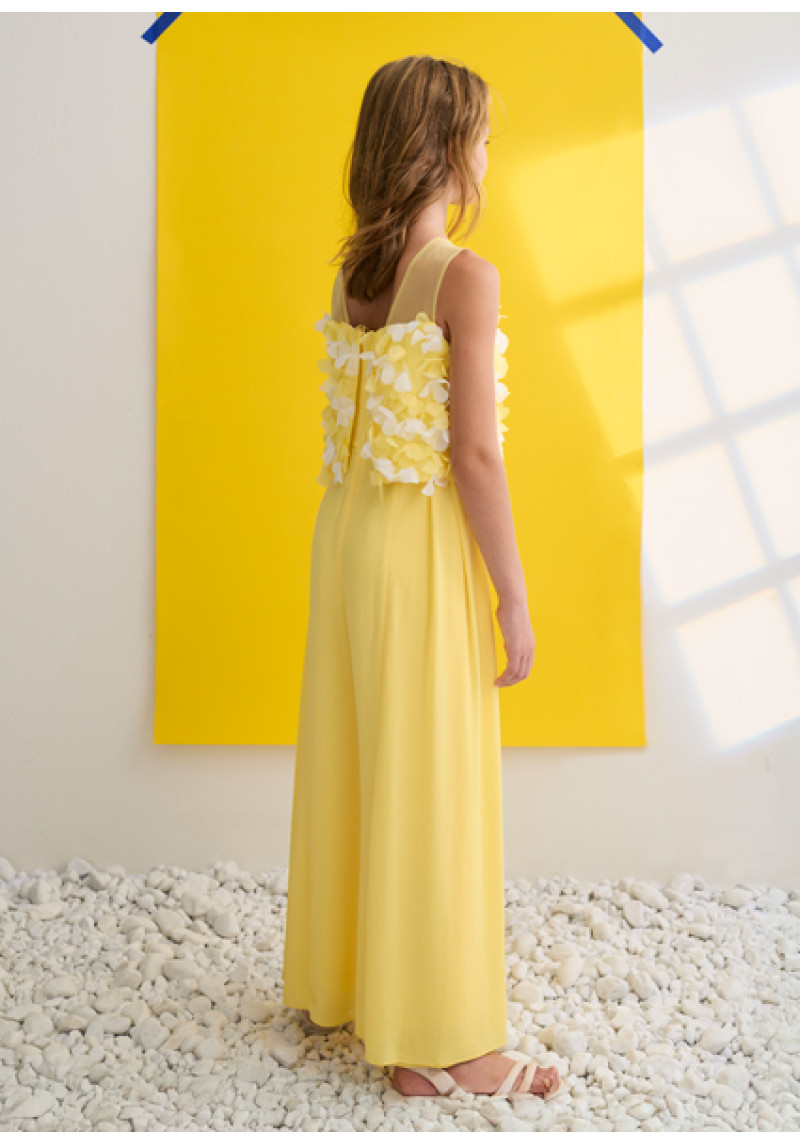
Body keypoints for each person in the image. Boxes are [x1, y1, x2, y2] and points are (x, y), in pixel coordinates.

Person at [281, 54, 560, 1102]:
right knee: (432, 774)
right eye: (478, 134)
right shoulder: (461, 275)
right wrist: (512, 594)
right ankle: (441, 1041)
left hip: (347, 534)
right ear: (446, 147)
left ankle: (366, 994)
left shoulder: (354, 272)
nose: (487, 151)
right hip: (416, 545)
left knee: (365, 757)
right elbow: (473, 454)